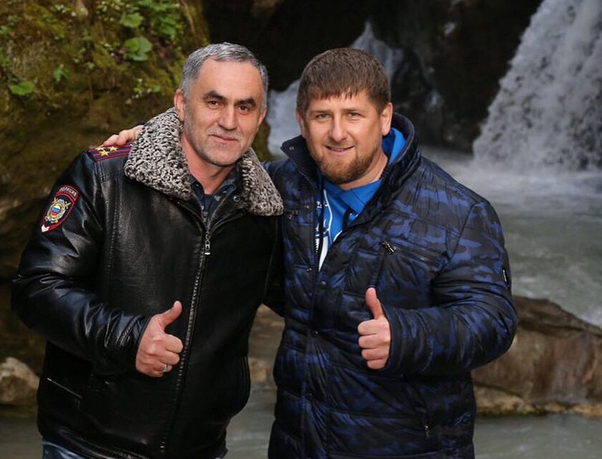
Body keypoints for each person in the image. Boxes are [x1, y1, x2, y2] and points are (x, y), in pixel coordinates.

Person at [104, 48, 518, 459]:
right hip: (297, 442)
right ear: (302, 122)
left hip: (409, 447)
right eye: (323, 116)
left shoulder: (457, 212)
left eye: (353, 115)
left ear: (384, 118)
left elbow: (494, 320)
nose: (337, 133)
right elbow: (209, 164)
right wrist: (157, 140)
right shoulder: (280, 187)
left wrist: (408, 335)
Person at [11, 42, 283, 459]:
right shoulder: (104, 177)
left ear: (261, 117)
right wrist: (127, 338)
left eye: (244, 107)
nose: (229, 121)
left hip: (202, 447)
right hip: (88, 444)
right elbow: (36, 286)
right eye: (214, 102)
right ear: (182, 103)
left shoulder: (264, 210)